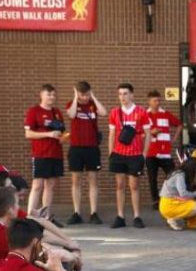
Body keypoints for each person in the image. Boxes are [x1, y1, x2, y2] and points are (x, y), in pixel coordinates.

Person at [107, 83, 151, 228]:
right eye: (120, 94)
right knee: (119, 185)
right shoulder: (114, 112)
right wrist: (110, 152)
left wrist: (144, 154)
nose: (122, 97)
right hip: (118, 154)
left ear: (132, 94)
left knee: (134, 185)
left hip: (135, 154)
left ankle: (137, 216)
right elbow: (112, 134)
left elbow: (148, 134)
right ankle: (120, 216)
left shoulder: (141, 112)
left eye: (125, 93)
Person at [65, 81, 107, 226]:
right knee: (76, 180)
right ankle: (76, 212)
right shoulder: (72, 103)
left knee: (92, 180)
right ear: (77, 93)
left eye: (86, 94)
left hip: (92, 148)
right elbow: (71, 114)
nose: (84, 97)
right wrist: (76, 98)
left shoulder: (93, 105)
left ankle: (93, 212)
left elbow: (103, 112)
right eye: (81, 94)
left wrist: (93, 97)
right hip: (76, 148)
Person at [25, 84, 66, 226]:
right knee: (37, 185)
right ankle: (30, 217)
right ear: (41, 95)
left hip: (55, 153)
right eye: (49, 94)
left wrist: (63, 138)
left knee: (50, 185)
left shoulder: (57, 112)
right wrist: (48, 134)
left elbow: (60, 132)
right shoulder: (34, 111)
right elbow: (28, 133)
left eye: (54, 95)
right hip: (40, 154)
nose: (52, 97)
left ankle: (46, 217)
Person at [145, 90, 182, 208]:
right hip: (150, 152)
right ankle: (155, 201)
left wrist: (174, 139)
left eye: (159, 100)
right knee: (152, 178)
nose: (157, 103)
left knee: (172, 175)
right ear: (149, 101)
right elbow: (139, 133)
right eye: (155, 100)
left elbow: (179, 124)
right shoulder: (144, 115)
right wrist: (151, 132)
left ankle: (172, 198)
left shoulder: (165, 114)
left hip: (165, 152)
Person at [158, 158, 196, 230]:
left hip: (171, 201)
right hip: (169, 204)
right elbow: (183, 194)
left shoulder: (179, 173)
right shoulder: (179, 176)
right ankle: (172, 218)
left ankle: (178, 219)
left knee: (193, 203)